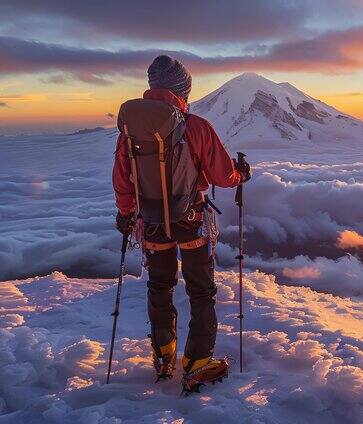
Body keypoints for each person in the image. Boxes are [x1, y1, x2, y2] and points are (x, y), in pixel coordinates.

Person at [112, 55, 251, 392]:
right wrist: (241, 173)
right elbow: (222, 175)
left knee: (160, 287)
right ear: (181, 89)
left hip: (153, 224)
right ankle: (198, 363)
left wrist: (126, 212)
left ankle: (164, 356)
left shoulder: (129, 132)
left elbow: (122, 179)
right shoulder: (196, 127)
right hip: (192, 222)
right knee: (201, 291)